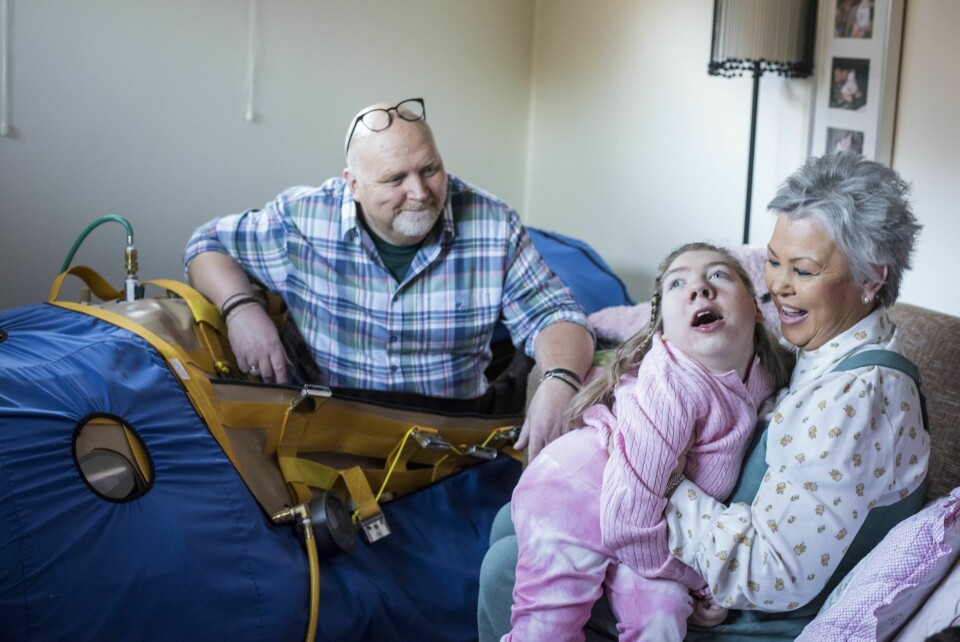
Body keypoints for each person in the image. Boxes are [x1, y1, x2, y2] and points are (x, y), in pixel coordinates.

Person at [477, 151, 928, 639]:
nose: (777, 286)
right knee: (512, 523)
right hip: (710, 565)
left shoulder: (858, 399)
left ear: (871, 279)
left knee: (508, 561)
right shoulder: (819, 353)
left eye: (803, 270)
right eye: (773, 262)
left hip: (754, 614)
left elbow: (773, 574)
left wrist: (645, 470)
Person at [183, 98, 594, 455]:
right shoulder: (302, 219)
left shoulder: (494, 224)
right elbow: (207, 244)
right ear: (354, 185)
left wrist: (560, 380)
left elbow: (557, 313)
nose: (419, 192)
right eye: (395, 178)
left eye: (429, 169)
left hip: (453, 438)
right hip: (327, 430)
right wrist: (240, 308)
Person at [504, 243, 795, 641]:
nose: (699, 288)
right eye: (679, 283)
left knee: (664, 614)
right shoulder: (672, 384)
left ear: (758, 309)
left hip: (650, 521)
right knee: (546, 631)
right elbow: (630, 523)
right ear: (663, 330)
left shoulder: (764, 374)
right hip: (573, 493)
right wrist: (699, 579)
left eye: (719, 275)